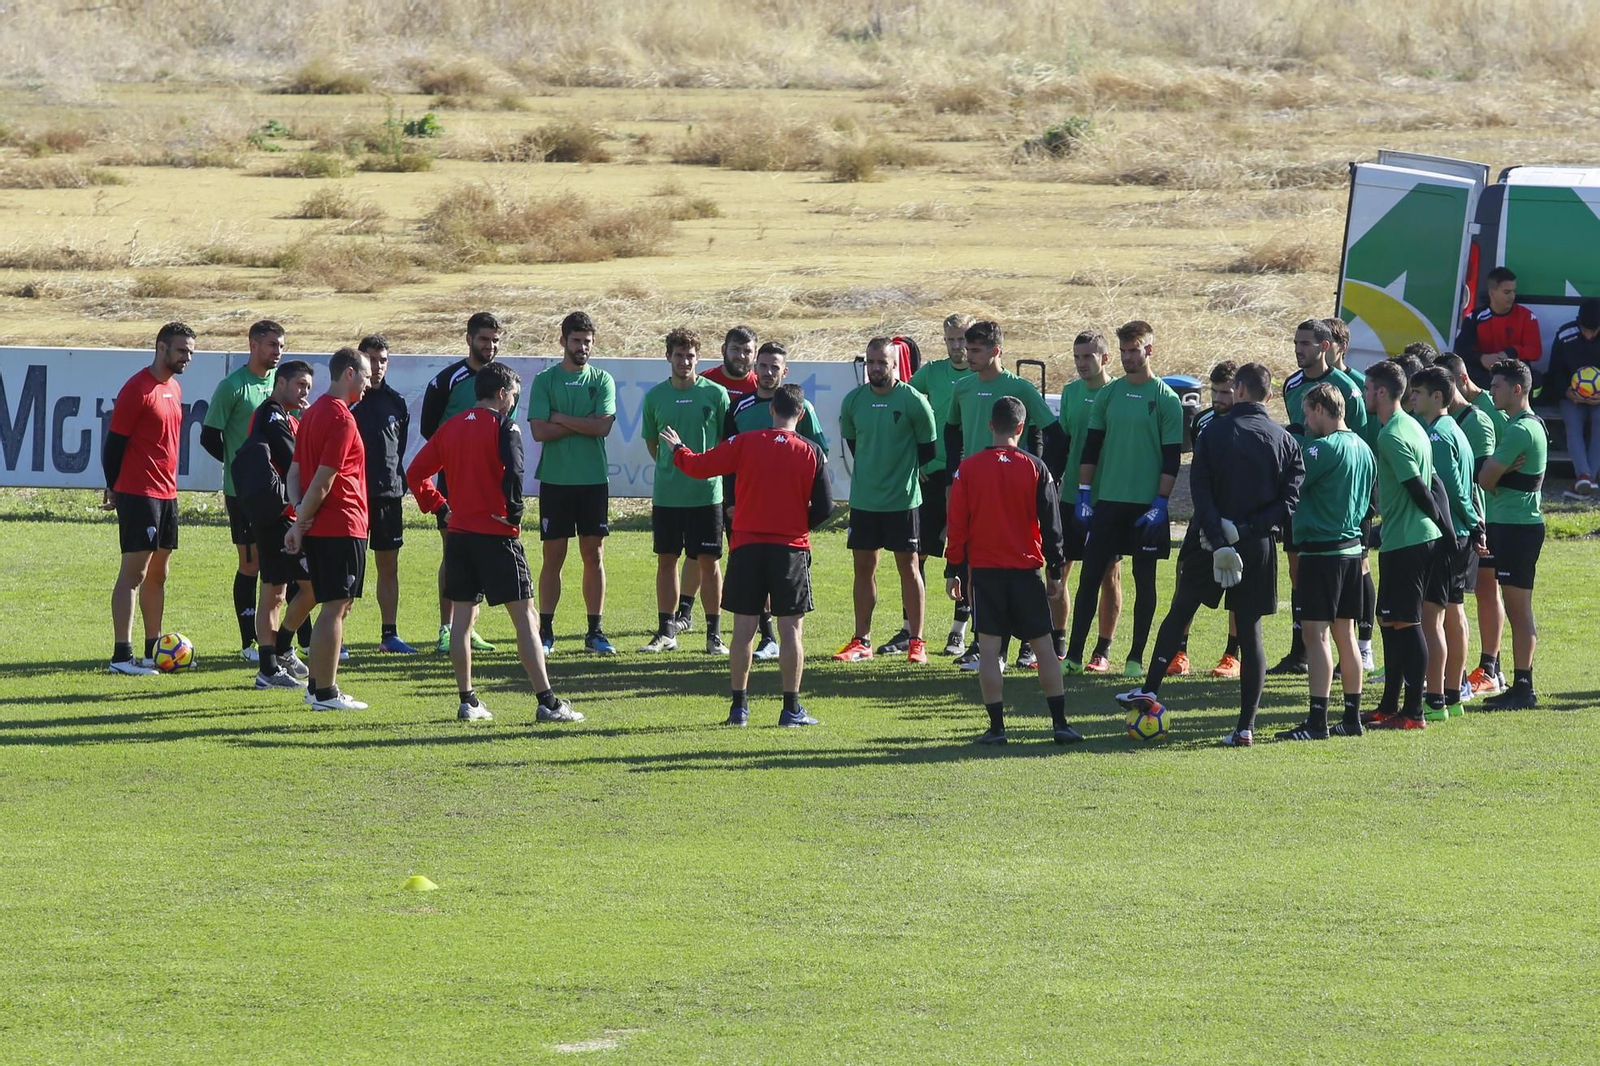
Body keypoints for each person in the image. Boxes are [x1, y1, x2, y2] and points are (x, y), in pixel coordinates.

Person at [1115, 363, 1302, 747]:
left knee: (1182, 609)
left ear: (1239, 390)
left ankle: (1150, 689)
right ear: (1269, 396)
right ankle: (1245, 726)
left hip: (1208, 539)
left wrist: (1218, 537)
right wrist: (1244, 530)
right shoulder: (1285, 440)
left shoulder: (1213, 431)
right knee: (1250, 631)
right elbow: (1289, 501)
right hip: (1257, 545)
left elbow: (1200, 491)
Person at [406, 362, 582, 724]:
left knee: (462, 621)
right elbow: (515, 470)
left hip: (459, 538)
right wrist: (515, 513)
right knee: (526, 618)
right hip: (497, 536)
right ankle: (547, 702)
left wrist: (440, 507)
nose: (513, 402)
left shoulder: (450, 427)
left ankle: (467, 700)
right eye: (513, 396)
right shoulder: (505, 426)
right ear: (502, 394)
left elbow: (415, 473)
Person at [663, 383, 834, 727]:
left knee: (743, 631)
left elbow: (700, 467)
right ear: (801, 414)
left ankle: (739, 709)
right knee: (791, 632)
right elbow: (826, 507)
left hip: (747, 547)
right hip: (790, 550)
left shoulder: (745, 442)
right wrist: (797, 524)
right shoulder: (811, 451)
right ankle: (791, 709)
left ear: (771, 409)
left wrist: (679, 449)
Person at [946, 396, 1081, 745]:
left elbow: (957, 525)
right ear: (1021, 427)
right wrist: (1055, 569)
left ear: (991, 425)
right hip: (1026, 571)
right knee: (1044, 648)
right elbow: (1052, 525)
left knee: (990, 651)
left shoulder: (968, 469)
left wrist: (953, 569)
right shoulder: (1036, 467)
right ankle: (1060, 724)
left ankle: (997, 729)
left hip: (985, 573)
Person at [1061, 320, 1183, 679]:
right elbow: (1091, 448)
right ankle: (1074, 655)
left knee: (1144, 582)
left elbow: (1171, 459)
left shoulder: (1166, 399)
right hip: (1108, 503)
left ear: (1149, 350)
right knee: (1089, 578)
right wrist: (1085, 494)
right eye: (1124, 351)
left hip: (1146, 507)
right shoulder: (1108, 395)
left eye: (1135, 350)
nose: (1129, 357)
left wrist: (1160, 504)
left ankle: (1134, 658)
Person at [943, 319, 1058, 671]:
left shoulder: (1020, 388)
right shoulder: (963, 387)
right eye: (967, 348)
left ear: (996, 351)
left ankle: (1028, 644)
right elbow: (951, 432)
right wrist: (952, 478)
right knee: (978, 563)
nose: (968, 355)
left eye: (976, 350)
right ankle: (985, 644)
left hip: (1015, 489)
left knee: (1022, 561)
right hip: (976, 488)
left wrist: (1048, 477)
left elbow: (1052, 432)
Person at [1274, 383, 1373, 739]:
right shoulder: (1364, 448)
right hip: (1352, 552)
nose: (1304, 421)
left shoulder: (1322, 449)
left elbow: (1291, 483)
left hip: (1322, 552)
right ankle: (1351, 717)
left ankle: (1317, 721)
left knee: (1315, 635)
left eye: (1306, 413)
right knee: (1346, 634)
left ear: (1319, 409)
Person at [833, 337, 938, 663]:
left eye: (882, 362)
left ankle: (916, 641)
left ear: (895, 364)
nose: (875, 368)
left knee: (909, 567)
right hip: (865, 501)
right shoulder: (853, 402)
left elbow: (928, 450)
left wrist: (901, 473)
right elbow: (854, 445)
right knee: (863, 568)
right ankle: (861, 640)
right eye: (871, 362)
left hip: (902, 502)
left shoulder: (914, 401)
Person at [1274, 318, 1369, 675]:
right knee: (1297, 570)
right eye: (1296, 343)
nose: (1298, 350)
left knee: (1356, 569)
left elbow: (1357, 439)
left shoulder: (1347, 389)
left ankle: (1361, 648)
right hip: (1304, 499)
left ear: (1325, 347)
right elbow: (1297, 438)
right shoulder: (1292, 385)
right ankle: (1300, 651)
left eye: (1306, 344)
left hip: (1339, 501)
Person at [726, 341, 829, 661]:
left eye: (775, 367)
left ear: (785, 371)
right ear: (755, 368)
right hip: (745, 515)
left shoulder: (801, 407)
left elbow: (818, 455)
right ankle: (766, 637)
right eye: (764, 365)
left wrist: (799, 519)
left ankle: (770, 640)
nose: (769, 372)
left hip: (786, 528)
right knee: (751, 587)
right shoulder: (739, 407)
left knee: (778, 589)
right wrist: (730, 502)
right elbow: (726, 459)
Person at [1363, 360, 1450, 731]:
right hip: (1404, 538)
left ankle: (1414, 712)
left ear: (1381, 392)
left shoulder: (1393, 435)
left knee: (1407, 622)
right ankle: (1389, 705)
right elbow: (1433, 483)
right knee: (1389, 620)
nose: (1364, 395)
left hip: (1409, 541)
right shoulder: (1411, 425)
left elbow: (1419, 489)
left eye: (1367, 388)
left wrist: (1446, 533)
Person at [286, 347, 372, 712]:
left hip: (326, 524)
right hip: (342, 524)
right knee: (335, 606)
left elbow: (294, 473)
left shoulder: (314, 412)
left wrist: (299, 513)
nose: (369, 383)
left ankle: (316, 687)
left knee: (335, 604)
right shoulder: (340, 418)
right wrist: (300, 520)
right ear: (349, 373)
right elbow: (323, 480)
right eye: (366, 376)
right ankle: (325, 692)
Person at [104, 322, 194, 674]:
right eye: (182, 350)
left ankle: (152, 651)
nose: (187, 357)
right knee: (134, 573)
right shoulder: (137, 389)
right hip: (139, 493)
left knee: (159, 573)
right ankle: (121, 656)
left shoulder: (174, 387)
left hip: (167, 493)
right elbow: (114, 445)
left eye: (190, 352)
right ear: (161, 348)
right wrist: (113, 485)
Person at [419, 312, 510, 655]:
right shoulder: (447, 380)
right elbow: (430, 430)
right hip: (453, 481)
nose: (490, 346)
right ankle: (447, 629)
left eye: (495, 340)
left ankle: (467, 628)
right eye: (484, 339)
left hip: (490, 483)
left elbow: (506, 434)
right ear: (469, 339)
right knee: (454, 553)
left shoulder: (502, 382)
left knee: (480, 554)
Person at [528, 311, 618, 656]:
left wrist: (562, 418)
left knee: (594, 555)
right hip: (556, 480)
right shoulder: (546, 380)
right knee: (553, 557)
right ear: (563, 341)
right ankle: (546, 631)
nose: (582, 347)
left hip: (593, 480)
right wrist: (585, 423)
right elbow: (539, 431)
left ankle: (595, 631)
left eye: (587, 341)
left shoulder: (602, 380)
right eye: (577, 340)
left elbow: (603, 427)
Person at [638, 328, 732, 655]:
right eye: (679, 355)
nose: (685, 361)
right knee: (667, 561)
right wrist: (671, 467)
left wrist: (704, 469)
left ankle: (714, 635)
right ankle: (666, 632)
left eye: (690, 355)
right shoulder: (654, 397)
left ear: (698, 357)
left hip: (706, 495)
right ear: (668, 357)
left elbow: (725, 442)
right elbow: (653, 444)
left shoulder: (716, 394)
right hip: (667, 495)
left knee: (709, 562)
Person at [201, 319, 285, 663]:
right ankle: (249, 642)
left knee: (282, 564)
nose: (277, 352)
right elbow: (209, 436)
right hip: (244, 494)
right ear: (253, 345)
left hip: (281, 493)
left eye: (281, 346)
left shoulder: (282, 384)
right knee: (251, 565)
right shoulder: (233, 386)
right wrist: (242, 469)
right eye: (272, 345)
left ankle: (285, 641)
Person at [231, 359, 317, 689]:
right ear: (281, 383)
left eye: (308, 387)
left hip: (283, 515)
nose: (304, 392)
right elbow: (295, 459)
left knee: (282, 590)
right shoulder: (272, 415)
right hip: (276, 515)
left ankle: (277, 655)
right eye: (300, 385)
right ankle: (272, 661)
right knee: (292, 589)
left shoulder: (285, 417)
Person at [1043, 330, 1124, 673]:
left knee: (1108, 575)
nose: (1081, 363)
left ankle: (1102, 651)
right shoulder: (1071, 392)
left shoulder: (1120, 393)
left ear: (1105, 358)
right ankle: (1058, 644)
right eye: (1077, 357)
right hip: (1070, 497)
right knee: (1058, 569)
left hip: (1109, 499)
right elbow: (1064, 443)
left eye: (1088, 356)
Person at [674, 325, 759, 632]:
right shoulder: (707, 382)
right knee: (698, 551)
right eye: (736, 349)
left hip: (744, 484)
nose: (741, 356)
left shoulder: (760, 387)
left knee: (745, 551)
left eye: (747, 351)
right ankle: (684, 612)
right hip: (708, 479)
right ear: (724, 350)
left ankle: (750, 615)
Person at [1409, 366, 1482, 721]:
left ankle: (1435, 699)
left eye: (1417, 393)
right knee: (1454, 611)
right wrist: (1476, 523)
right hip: (1462, 533)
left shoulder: (1437, 435)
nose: (1411, 398)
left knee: (1432, 617)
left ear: (1437, 396)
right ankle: (1453, 695)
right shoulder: (1454, 428)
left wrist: (1470, 521)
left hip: (1449, 534)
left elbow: (1449, 490)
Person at [1477, 358, 1548, 710]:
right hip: (1512, 525)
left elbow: (1485, 479)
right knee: (1515, 607)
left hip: (1518, 528)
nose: (1491, 392)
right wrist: (1497, 472)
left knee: (1519, 610)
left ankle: (1524, 687)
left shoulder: (1520, 430)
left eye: (1497, 387)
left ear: (1517, 389)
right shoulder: (1519, 424)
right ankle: (1520, 684)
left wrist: (1496, 473)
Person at [1437, 352, 1507, 696]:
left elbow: (1483, 474)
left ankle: (1490, 667)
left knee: (1486, 589)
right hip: (1464, 518)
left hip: (1484, 516)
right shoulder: (1447, 418)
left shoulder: (1479, 417)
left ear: (1459, 380)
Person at [905, 312, 974, 656]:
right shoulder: (931, 373)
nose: (957, 346)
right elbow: (905, 407)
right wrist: (918, 459)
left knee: (965, 553)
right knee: (917, 553)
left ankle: (959, 630)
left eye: (962, 339)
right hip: (933, 476)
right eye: (951, 340)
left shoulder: (982, 375)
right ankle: (909, 629)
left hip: (969, 478)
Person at [1175, 359, 1241, 679]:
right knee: (1185, 576)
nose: (1219, 398)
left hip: (1237, 518)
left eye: (1225, 392)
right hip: (1203, 515)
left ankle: (1232, 655)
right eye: (1215, 391)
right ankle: (1179, 651)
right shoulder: (1202, 421)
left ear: (1240, 391)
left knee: (1238, 585)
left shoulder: (1248, 422)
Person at [352, 335, 418, 654]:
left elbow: (398, 449)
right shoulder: (349, 401)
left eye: (383, 360)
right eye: (372, 359)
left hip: (388, 495)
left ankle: (389, 635)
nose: (377, 366)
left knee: (389, 567)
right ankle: (334, 636)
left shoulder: (397, 402)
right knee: (349, 568)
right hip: (353, 497)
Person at [1541, 297, 1600, 496]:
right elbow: (1555, 371)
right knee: (1573, 424)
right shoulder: (1565, 334)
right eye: (1585, 330)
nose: (1589, 335)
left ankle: (1588, 479)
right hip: (1571, 396)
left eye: (1594, 331)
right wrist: (1566, 391)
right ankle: (1584, 475)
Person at [1456, 266, 1542, 388]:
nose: (1512, 296)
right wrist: (1482, 358)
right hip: (1485, 372)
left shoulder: (1526, 316)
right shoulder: (1475, 317)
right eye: (1507, 292)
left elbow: (1535, 351)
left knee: (1536, 379)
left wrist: (1511, 352)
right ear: (1492, 292)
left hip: (1513, 373)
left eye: (1513, 291)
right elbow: (1461, 348)